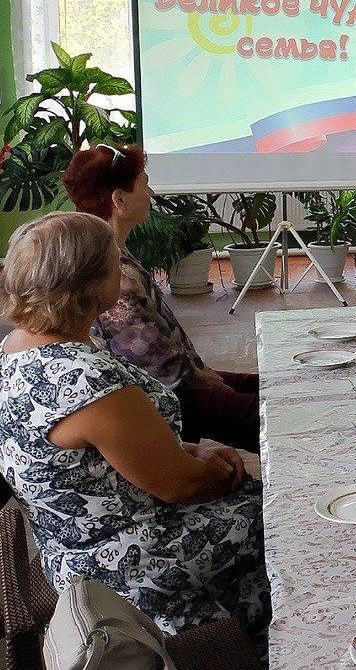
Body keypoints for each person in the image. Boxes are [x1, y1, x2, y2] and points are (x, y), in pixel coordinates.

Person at [0, 212, 270, 638]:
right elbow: (182, 487)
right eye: (114, 262)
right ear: (92, 284)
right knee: (288, 514)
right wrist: (219, 471)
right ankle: (271, 638)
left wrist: (190, 451)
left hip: (78, 548)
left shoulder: (18, 346)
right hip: (129, 562)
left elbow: (108, 458)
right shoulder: (84, 381)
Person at [63, 144, 260, 452]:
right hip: (170, 397)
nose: (151, 192)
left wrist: (204, 373)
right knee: (277, 417)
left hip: (180, 380)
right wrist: (207, 379)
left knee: (277, 385)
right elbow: (156, 365)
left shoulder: (111, 256)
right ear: (119, 200)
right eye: (144, 184)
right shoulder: (114, 274)